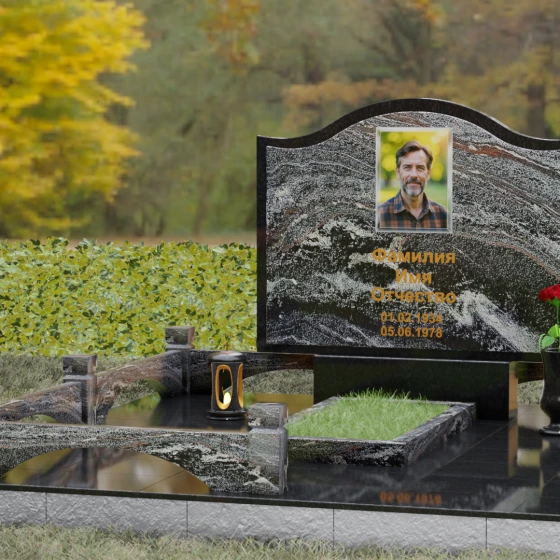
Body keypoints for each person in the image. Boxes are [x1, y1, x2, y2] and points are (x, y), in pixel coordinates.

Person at [377, 140, 448, 230]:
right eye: (407, 167)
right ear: (398, 172)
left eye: (420, 168)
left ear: (429, 173)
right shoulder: (378, 215)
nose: (414, 175)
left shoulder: (444, 216)